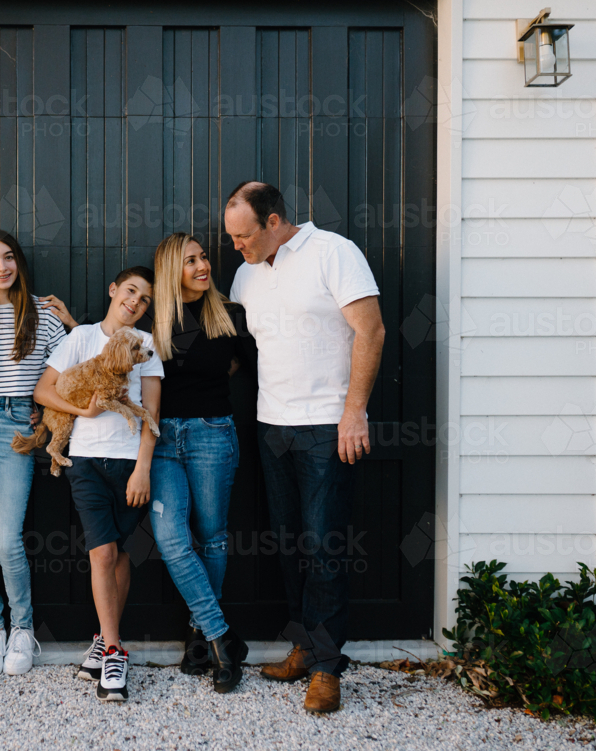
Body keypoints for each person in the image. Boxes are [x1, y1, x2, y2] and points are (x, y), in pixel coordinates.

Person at [225, 182, 385, 713]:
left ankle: (325, 668)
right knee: (288, 545)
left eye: (243, 236)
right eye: (230, 238)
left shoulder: (333, 253)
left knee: (323, 548)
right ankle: (302, 645)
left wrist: (354, 411)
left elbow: (372, 331)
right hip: (272, 426)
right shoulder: (246, 274)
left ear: (274, 222)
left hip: (325, 426)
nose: (236, 247)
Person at [34, 267, 164, 703]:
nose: (135, 302)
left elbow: (151, 413)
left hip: (129, 463)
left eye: (145, 299)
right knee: (102, 551)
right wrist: (82, 411)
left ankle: (103, 639)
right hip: (85, 460)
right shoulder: (81, 338)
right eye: (130, 291)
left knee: (122, 552)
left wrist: (143, 468)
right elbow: (43, 390)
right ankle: (114, 650)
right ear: (113, 290)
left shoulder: (146, 346)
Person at [0, 229, 78, 677]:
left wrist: (44, 422)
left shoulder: (43, 317)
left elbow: (73, 371)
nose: (1, 267)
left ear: (19, 264)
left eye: (8, 258)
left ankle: (23, 628)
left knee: (7, 538)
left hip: (16, 427)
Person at [141, 232, 257, 694]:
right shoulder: (153, 320)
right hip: (162, 439)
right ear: (172, 270)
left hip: (213, 434)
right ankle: (221, 637)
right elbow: (110, 347)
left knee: (211, 536)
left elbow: (250, 366)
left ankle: (197, 636)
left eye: (204, 257)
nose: (203, 265)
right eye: (190, 261)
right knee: (171, 539)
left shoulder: (230, 315)